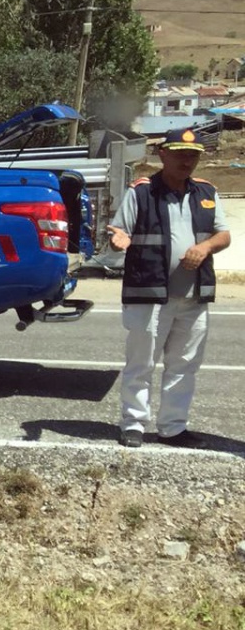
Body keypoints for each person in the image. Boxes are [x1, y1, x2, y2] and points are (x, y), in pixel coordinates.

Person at [107, 127, 231, 448]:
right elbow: (120, 228)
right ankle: (133, 424)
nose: (187, 160)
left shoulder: (206, 192)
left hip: (193, 297)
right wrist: (120, 238)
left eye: (193, 155)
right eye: (180, 153)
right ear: (162, 153)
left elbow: (223, 235)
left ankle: (173, 428)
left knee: (184, 366)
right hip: (149, 293)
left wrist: (205, 249)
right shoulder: (141, 192)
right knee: (141, 363)